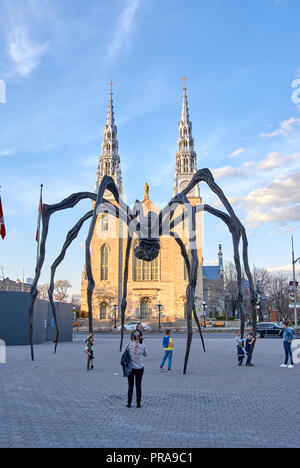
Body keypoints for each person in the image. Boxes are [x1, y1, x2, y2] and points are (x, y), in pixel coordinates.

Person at [127, 330, 147, 408]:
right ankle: (138, 403)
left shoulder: (128, 345)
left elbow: (124, 354)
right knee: (138, 385)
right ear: (139, 337)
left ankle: (129, 403)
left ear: (132, 337)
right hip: (140, 367)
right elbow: (146, 354)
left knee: (130, 385)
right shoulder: (142, 346)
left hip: (130, 367)